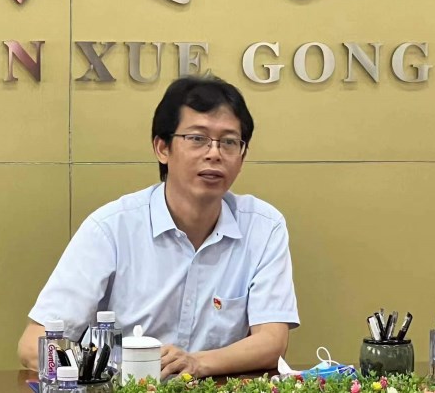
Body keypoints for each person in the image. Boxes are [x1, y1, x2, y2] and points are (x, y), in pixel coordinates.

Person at [18, 76, 299, 378]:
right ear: (162, 148)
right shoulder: (111, 228)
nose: (214, 153)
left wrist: (196, 363)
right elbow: (33, 345)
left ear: (242, 157)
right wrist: (122, 371)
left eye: (229, 142)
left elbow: (272, 342)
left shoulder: (263, 227)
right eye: (198, 138)